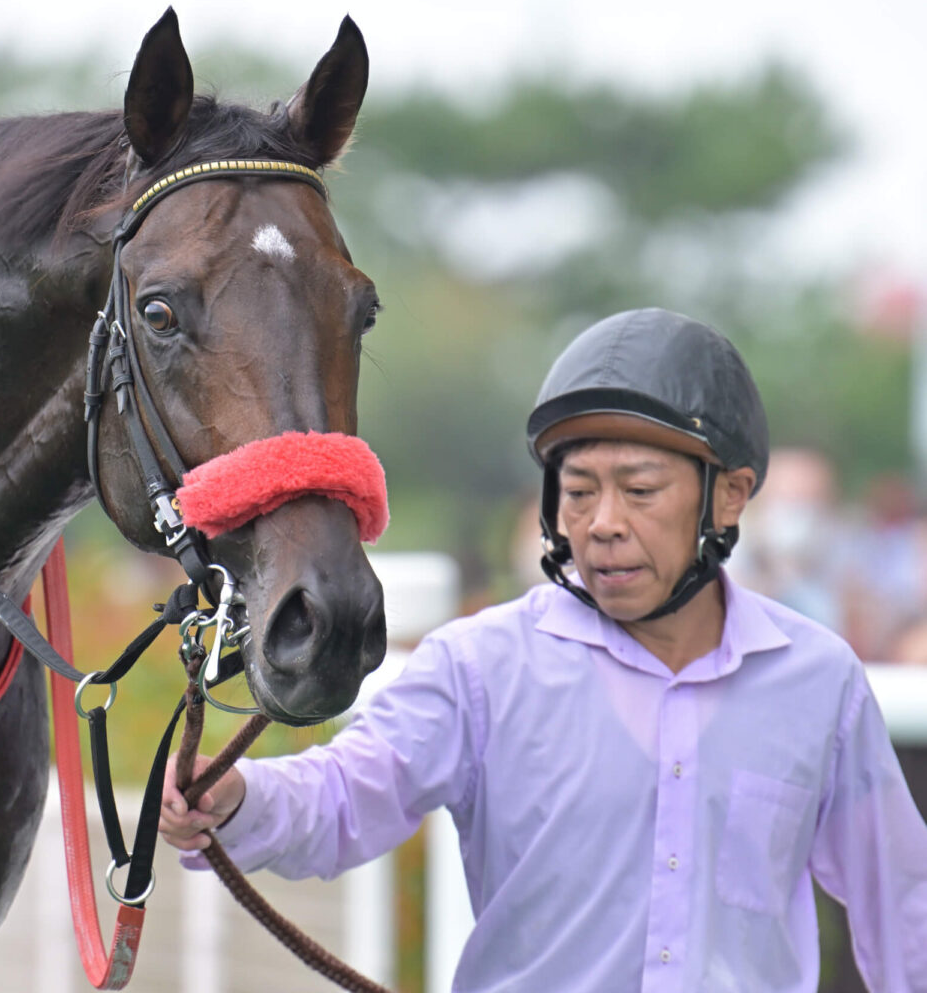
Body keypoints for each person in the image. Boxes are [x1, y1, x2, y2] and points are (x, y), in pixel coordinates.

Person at [160, 308, 927, 991]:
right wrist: (236, 801)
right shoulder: (479, 667)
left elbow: (904, 906)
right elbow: (342, 796)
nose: (602, 523)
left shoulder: (819, 681)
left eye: (640, 488)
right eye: (580, 489)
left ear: (729, 495)